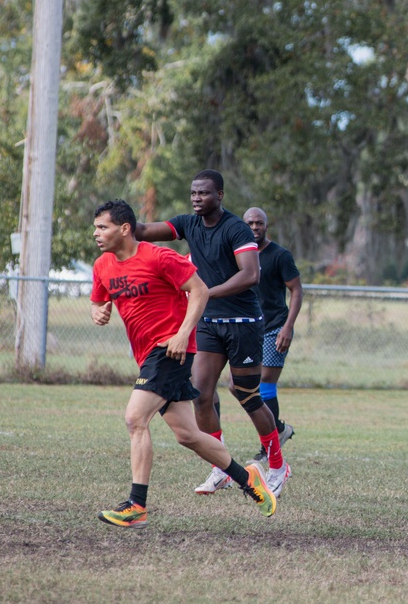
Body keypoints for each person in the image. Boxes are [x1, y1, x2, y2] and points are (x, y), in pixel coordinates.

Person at [89, 199, 275, 527]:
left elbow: (199, 291)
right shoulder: (102, 265)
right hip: (147, 354)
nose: (97, 234)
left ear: (125, 228)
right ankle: (249, 480)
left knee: (135, 419)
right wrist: (99, 311)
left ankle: (137, 505)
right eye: (96, 228)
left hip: (172, 350)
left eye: (102, 227)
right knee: (188, 435)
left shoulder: (158, 256)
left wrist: (182, 335)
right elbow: (98, 300)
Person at [135, 170, 290, 499]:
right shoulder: (188, 224)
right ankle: (221, 466)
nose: (196, 198)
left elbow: (251, 274)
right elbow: (146, 231)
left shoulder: (235, 228)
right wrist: (120, 222)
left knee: (246, 394)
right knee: (201, 394)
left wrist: (208, 293)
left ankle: (277, 465)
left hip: (244, 322)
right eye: (193, 193)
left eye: (203, 193)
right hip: (208, 322)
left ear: (219, 195)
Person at [243, 207, 303, 464]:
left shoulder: (279, 255)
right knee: (242, 386)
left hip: (275, 327)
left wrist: (288, 327)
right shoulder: (239, 255)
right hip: (248, 327)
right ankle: (278, 430)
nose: (254, 227)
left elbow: (297, 290)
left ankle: (268, 447)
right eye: (250, 223)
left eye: (259, 223)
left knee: (265, 382)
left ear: (266, 226)